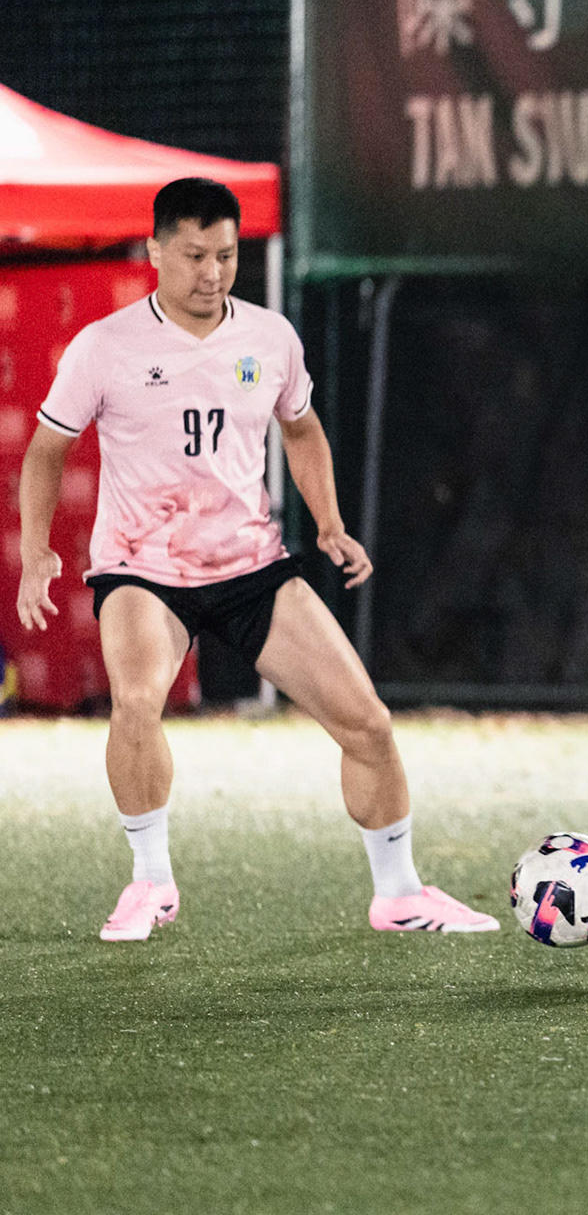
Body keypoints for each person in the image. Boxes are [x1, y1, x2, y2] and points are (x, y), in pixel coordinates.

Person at [14, 177, 497, 942]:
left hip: (250, 567)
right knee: (136, 703)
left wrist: (330, 523)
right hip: (145, 569)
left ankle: (400, 894)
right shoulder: (104, 347)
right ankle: (150, 883)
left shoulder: (269, 338)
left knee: (368, 724)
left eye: (227, 255)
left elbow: (300, 430)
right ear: (156, 252)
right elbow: (47, 450)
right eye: (196, 255)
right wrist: (37, 549)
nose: (213, 272)